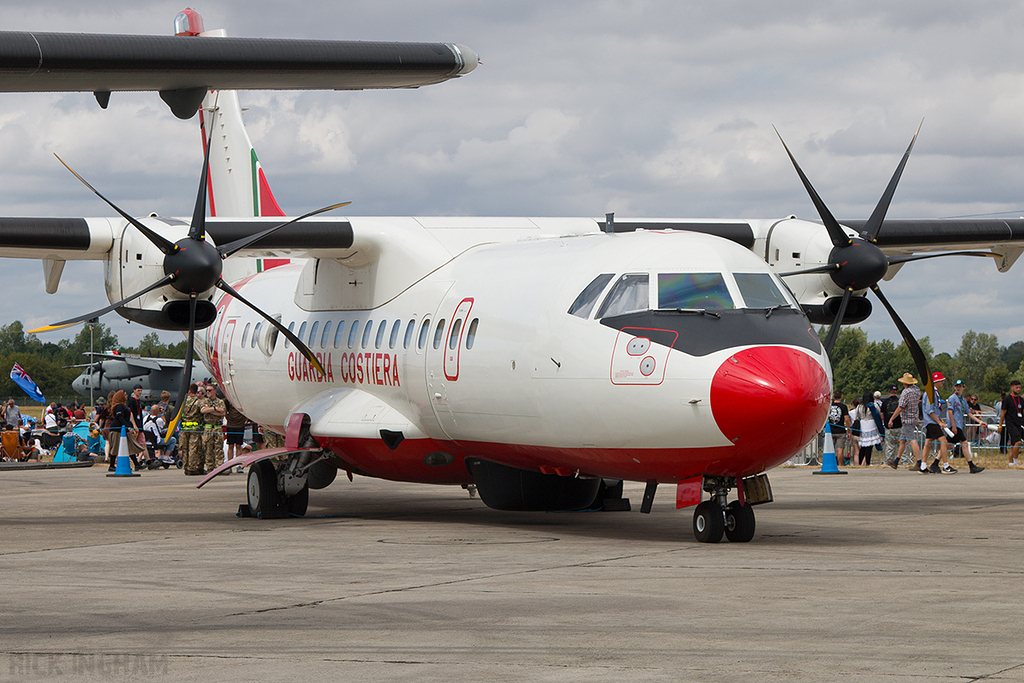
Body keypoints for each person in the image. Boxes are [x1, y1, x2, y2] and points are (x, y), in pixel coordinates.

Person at [887, 373, 925, 472]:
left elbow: (900, 407)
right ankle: (896, 461)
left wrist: (891, 419)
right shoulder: (917, 390)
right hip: (914, 417)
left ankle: (919, 462)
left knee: (912, 440)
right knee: (902, 440)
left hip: (907, 419)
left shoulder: (906, 392)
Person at [946, 380, 985, 474]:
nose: (958, 388)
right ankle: (971, 466)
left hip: (959, 425)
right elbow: (950, 412)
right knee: (964, 443)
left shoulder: (963, 400)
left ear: (963, 387)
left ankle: (935, 463)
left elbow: (968, 413)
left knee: (947, 445)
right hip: (954, 425)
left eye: (960, 386)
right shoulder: (952, 398)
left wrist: (979, 421)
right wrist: (953, 426)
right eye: (956, 386)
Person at [107, 389, 143, 471]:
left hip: (123, 430)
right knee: (115, 448)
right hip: (117, 430)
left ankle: (136, 464)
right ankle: (111, 465)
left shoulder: (123, 406)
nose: (126, 396)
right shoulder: (118, 406)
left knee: (129, 446)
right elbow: (120, 417)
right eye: (125, 395)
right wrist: (128, 427)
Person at [179, 383, 205, 475]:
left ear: (189, 391)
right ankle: (192, 468)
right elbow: (203, 412)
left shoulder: (183, 401)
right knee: (193, 448)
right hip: (194, 429)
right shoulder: (198, 402)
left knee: (184, 448)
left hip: (184, 428)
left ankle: (185, 467)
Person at [200, 384, 227, 474]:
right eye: (207, 390)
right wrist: (215, 408)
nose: (208, 392)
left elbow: (222, 413)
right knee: (208, 449)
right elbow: (203, 410)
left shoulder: (220, 402)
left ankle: (219, 467)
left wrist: (210, 410)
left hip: (218, 428)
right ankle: (210, 468)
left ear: (215, 391)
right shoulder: (204, 401)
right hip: (208, 428)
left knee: (219, 448)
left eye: (210, 390)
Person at [852, 391, 883, 466]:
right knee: (870, 446)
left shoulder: (859, 406)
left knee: (863, 446)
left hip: (863, 425)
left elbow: (857, 417)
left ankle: (860, 462)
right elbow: (878, 414)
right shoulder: (874, 405)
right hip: (872, 424)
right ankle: (867, 462)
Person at [999, 380, 1024, 467]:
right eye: (1016, 387)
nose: (1018, 389)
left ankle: (1010, 462)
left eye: (1019, 387)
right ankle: (1015, 461)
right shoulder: (1007, 399)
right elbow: (1003, 413)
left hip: (1019, 423)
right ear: (1012, 388)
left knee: (1013, 444)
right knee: (1018, 442)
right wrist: (1000, 425)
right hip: (1010, 423)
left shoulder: (1021, 399)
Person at [827, 390, 852, 466]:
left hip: (830, 430)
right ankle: (840, 465)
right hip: (840, 430)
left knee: (830, 449)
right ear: (841, 397)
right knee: (840, 449)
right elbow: (847, 419)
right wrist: (849, 431)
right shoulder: (843, 407)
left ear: (833, 396)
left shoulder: (829, 406)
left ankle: (830, 464)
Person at [223, 398, 247, 473]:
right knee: (230, 445)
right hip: (231, 426)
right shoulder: (227, 401)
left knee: (239, 445)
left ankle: (238, 465)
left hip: (240, 426)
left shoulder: (240, 400)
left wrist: (242, 421)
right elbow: (225, 412)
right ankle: (229, 465)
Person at [880, 385, 902, 466]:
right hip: (900, 426)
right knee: (902, 445)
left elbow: (882, 414)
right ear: (897, 392)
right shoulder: (900, 401)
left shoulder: (885, 402)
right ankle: (904, 462)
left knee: (890, 446)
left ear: (889, 392)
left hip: (889, 427)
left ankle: (889, 462)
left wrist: (886, 422)